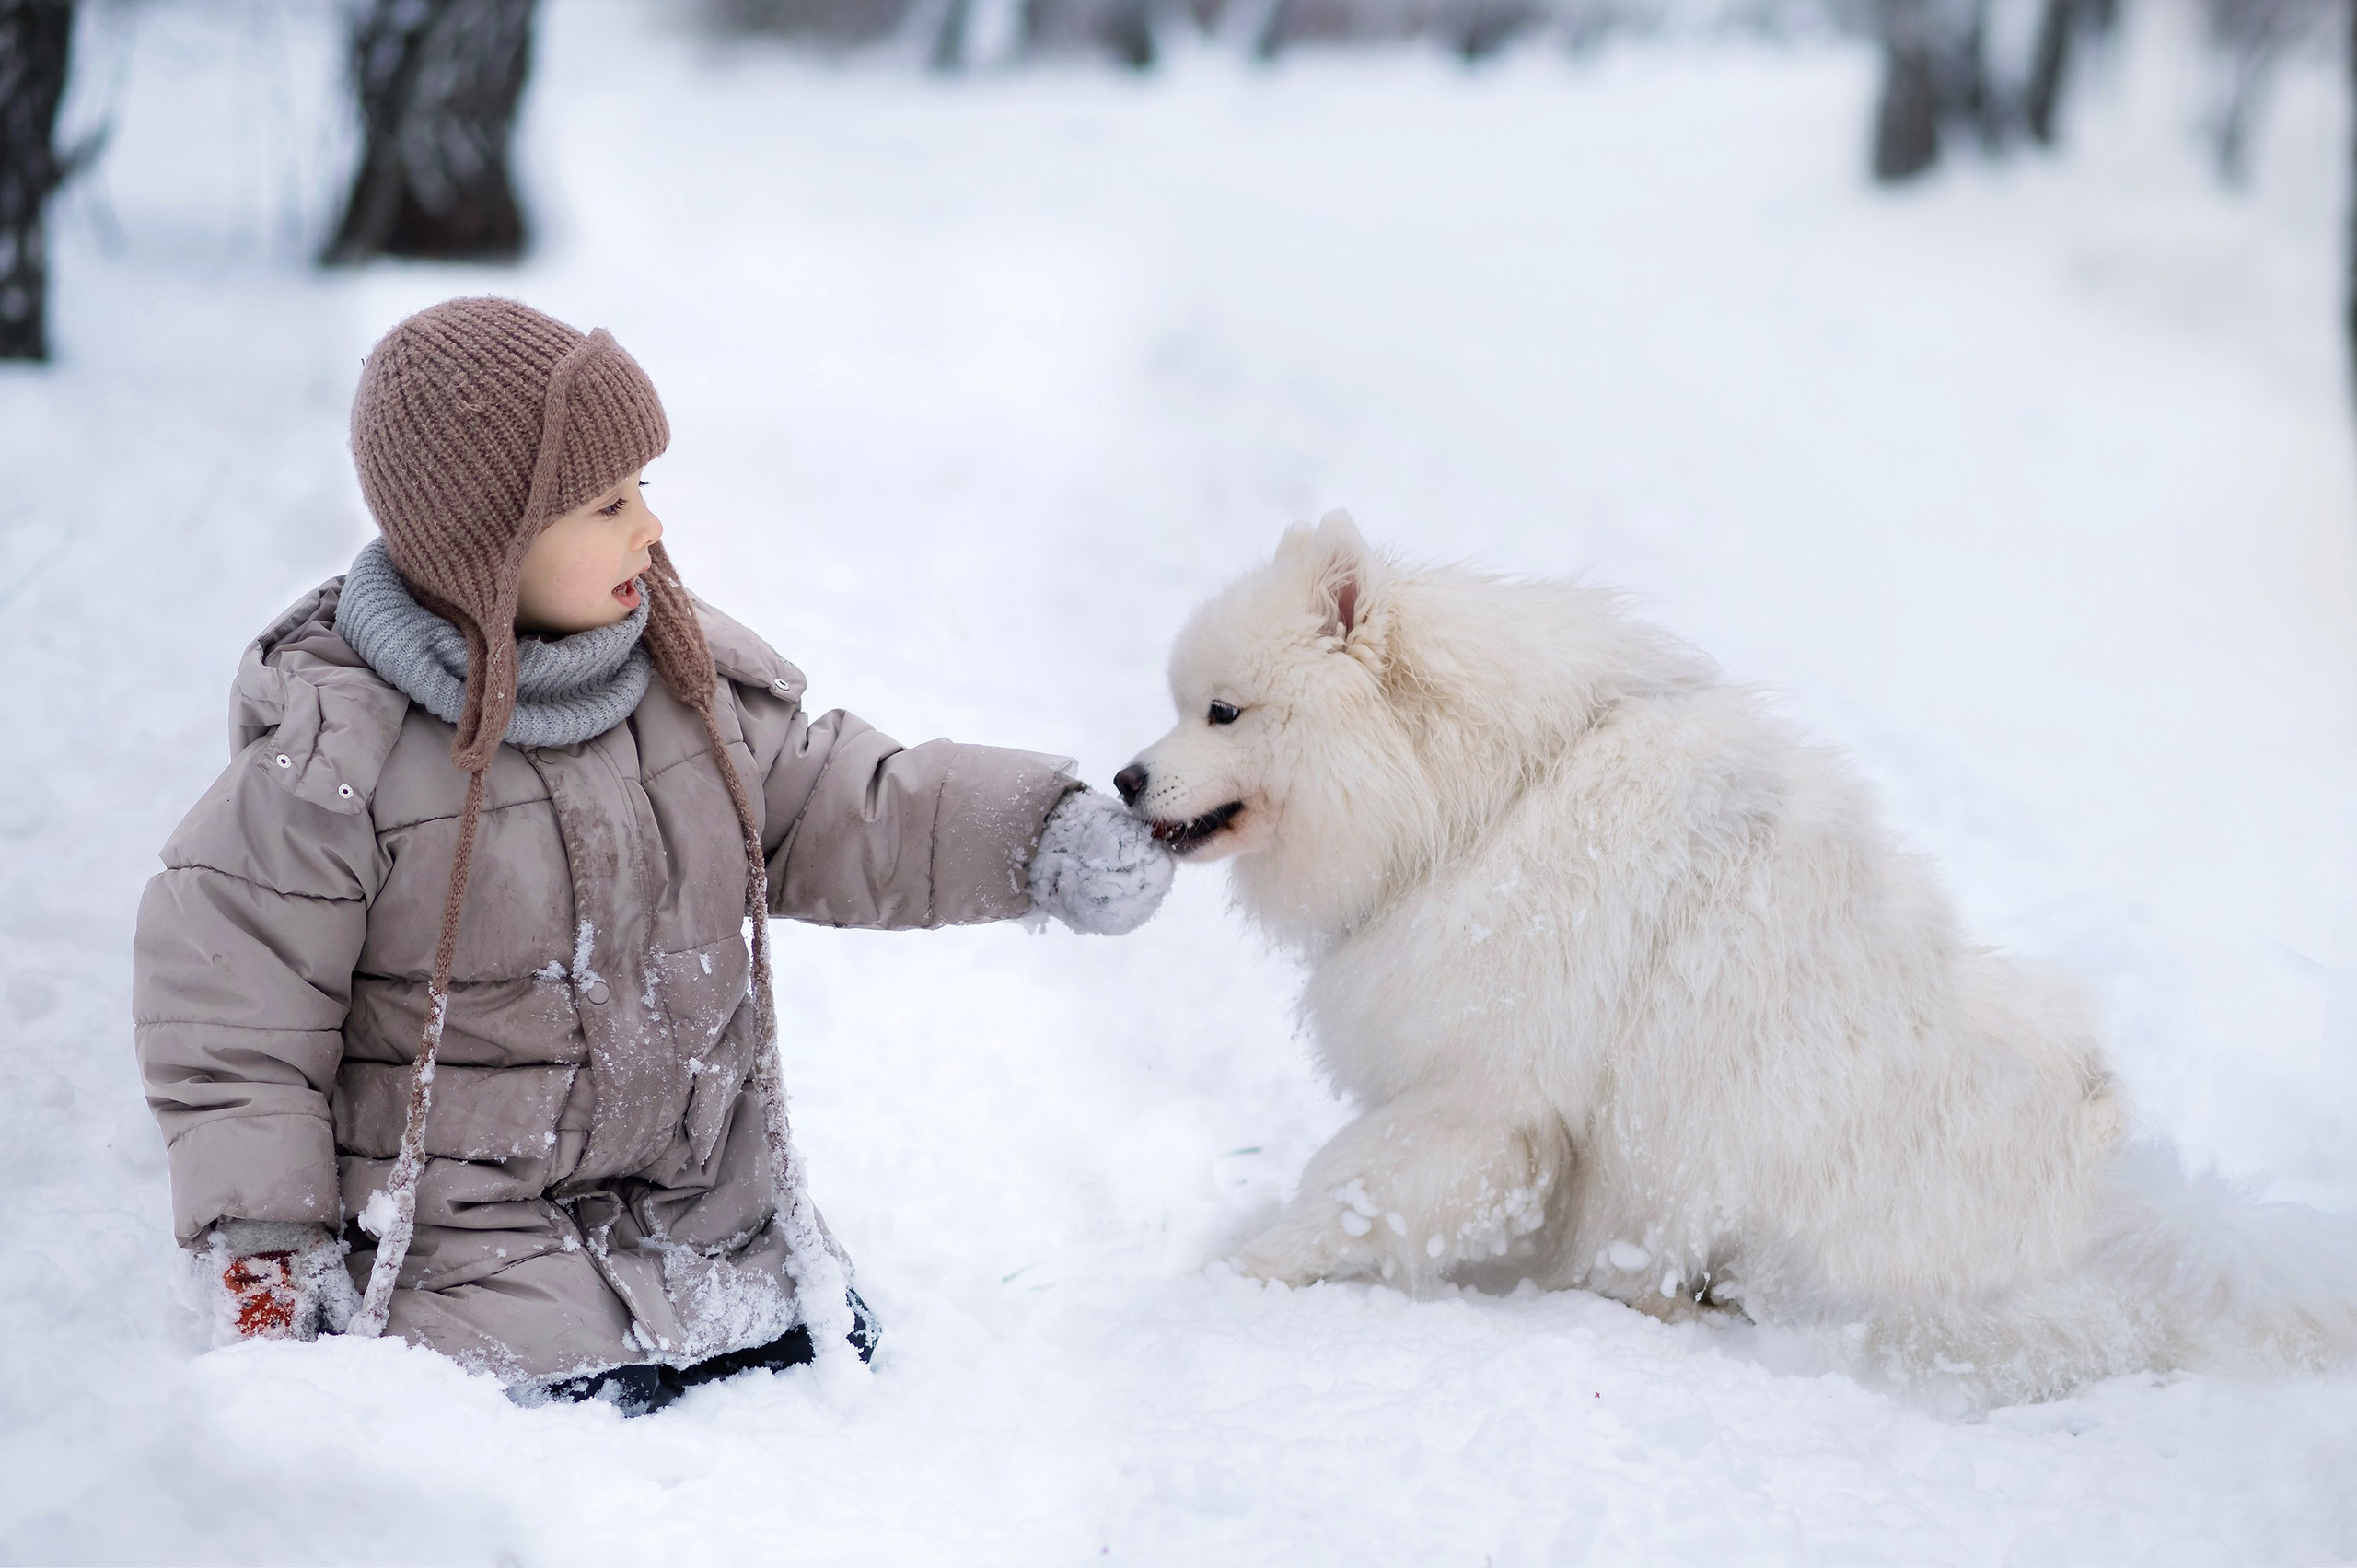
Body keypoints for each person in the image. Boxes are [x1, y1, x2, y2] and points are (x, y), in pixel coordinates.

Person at [132, 296, 1170, 1413]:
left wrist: (1037, 832)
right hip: (466, 1247)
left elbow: (851, 803)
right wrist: (264, 1248)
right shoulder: (340, 765)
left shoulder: (685, 693)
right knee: (538, 1414)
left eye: (645, 490)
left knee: (806, 1374)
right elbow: (234, 1025)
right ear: (491, 543)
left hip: (703, 1216)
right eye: (606, 502)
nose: (651, 529)